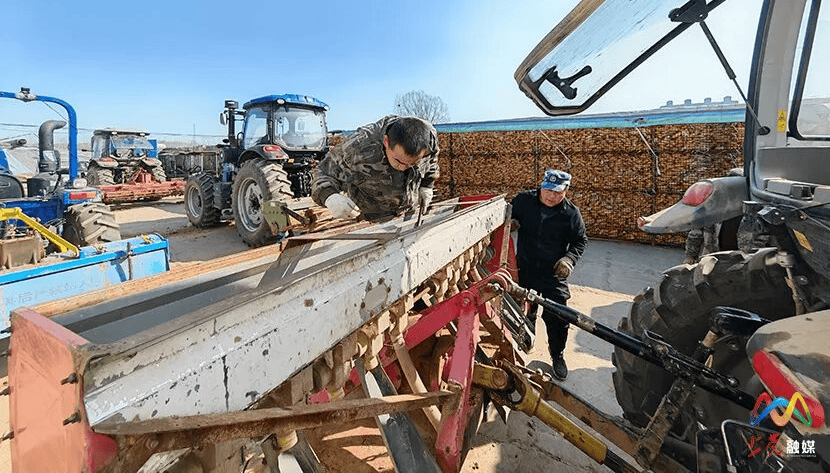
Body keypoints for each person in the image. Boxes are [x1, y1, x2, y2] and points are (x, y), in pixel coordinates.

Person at [511, 169, 587, 380]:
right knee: (522, 309)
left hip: (552, 273)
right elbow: (507, 214)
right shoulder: (524, 201)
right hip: (525, 267)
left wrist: (569, 259)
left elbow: (580, 241)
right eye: (548, 190)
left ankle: (557, 355)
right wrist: (513, 221)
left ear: (566, 191)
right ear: (542, 186)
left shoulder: (571, 214)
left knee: (558, 316)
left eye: (557, 192)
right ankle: (525, 339)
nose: (551, 196)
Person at [311, 115, 439, 222]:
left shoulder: (429, 139)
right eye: (398, 161)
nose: (403, 168)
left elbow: (432, 160)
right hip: (369, 221)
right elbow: (322, 172)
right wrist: (330, 197)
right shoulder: (358, 146)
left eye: (412, 164)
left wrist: (427, 185)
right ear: (386, 142)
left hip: (408, 214)